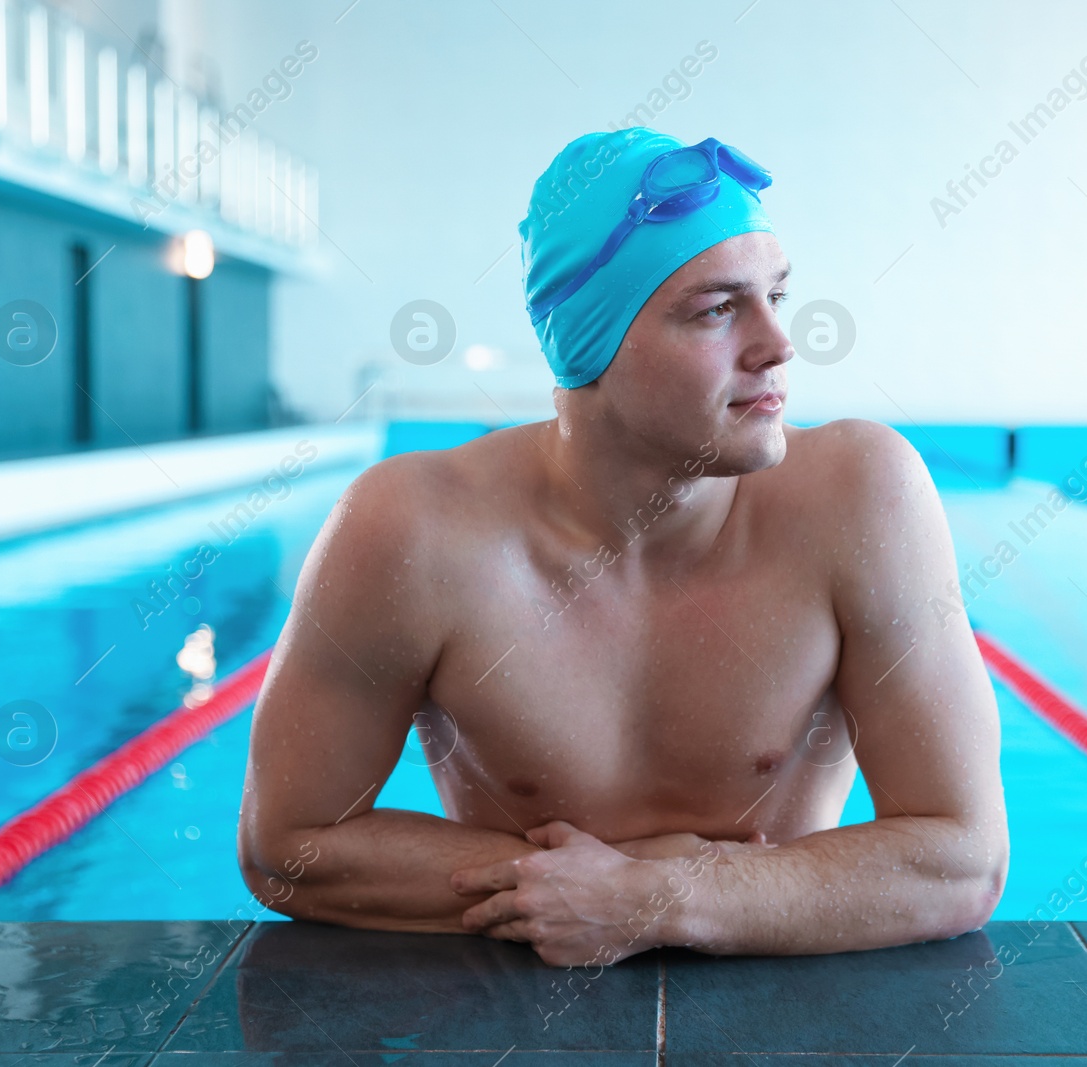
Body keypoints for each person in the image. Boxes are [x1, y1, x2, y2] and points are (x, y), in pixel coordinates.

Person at [238, 127, 1006, 968]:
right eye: (718, 309)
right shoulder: (411, 529)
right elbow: (290, 845)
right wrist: (582, 893)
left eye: (776, 297)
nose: (780, 344)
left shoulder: (864, 496)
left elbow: (962, 861)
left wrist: (653, 899)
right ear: (590, 342)